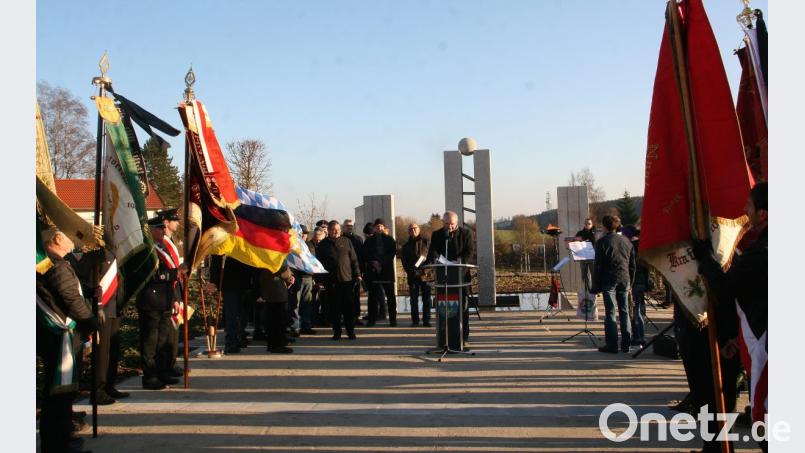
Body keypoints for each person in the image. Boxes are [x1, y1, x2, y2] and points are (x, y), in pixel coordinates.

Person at [694, 181, 767, 453]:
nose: (744, 211)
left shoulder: (760, 254)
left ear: (763, 214)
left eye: (749, 206)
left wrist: (706, 259)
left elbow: (726, 288)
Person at [37, 227, 98, 453]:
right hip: (61, 334)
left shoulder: (53, 262)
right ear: (56, 239)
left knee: (60, 394)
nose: (72, 239)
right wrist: (91, 321)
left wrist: (90, 291)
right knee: (60, 394)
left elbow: (67, 291)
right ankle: (57, 444)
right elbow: (69, 297)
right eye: (67, 235)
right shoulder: (55, 264)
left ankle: (60, 440)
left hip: (56, 335)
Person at [67, 247, 129, 405]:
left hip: (114, 308)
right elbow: (85, 276)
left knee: (112, 350)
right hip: (101, 309)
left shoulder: (113, 252)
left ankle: (109, 385)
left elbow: (119, 279)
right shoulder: (93, 253)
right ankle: (98, 390)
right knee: (101, 353)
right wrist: (98, 306)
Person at [137, 217, 186, 389]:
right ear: (151, 230)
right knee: (150, 342)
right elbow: (152, 276)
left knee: (163, 341)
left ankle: (162, 372)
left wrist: (174, 298)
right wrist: (176, 272)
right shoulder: (146, 250)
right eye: (160, 229)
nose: (164, 232)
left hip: (165, 300)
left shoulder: (161, 247)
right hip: (151, 301)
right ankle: (150, 377)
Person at [590, 215, 635, 353]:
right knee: (625, 311)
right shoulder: (627, 241)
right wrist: (631, 282)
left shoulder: (602, 242)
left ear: (604, 226)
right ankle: (626, 344)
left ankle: (612, 345)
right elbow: (632, 264)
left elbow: (598, 266)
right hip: (625, 278)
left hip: (608, 279)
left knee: (610, 312)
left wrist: (595, 286)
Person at [427, 211, 474, 344]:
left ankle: (463, 337)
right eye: (446, 224)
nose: (449, 227)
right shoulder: (437, 234)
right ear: (443, 222)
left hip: (460, 276)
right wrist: (437, 258)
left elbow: (469, 251)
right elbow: (433, 251)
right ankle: (443, 337)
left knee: (462, 308)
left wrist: (460, 260)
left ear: (457, 223)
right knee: (443, 308)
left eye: (452, 224)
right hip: (443, 276)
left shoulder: (466, 233)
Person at [315, 220, 361, 340]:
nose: (336, 232)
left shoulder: (346, 241)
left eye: (338, 230)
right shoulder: (323, 245)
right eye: (333, 230)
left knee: (348, 308)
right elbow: (318, 264)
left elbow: (354, 260)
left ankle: (350, 332)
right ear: (329, 230)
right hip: (331, 282)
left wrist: (357, 274)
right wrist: (319, 280)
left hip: (347, 280)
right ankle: (337, 333)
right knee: (334, 309)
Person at [157, 208, 185, 379]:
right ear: (166, 222)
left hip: (175, 291)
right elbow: (168, 271)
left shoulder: (172, 241)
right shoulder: (161, 244)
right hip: (166, 293)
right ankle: (165, 367)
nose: (178, 223)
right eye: (175, 220)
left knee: (173, 334)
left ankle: (171, 364)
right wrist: (175, 296)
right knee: (166, 334)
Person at [208, 255, 254, 354]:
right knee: (231, 313)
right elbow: (216, 259)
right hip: (229, 282)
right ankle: (231, 342)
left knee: (243, 313)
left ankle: (239, 336)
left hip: (245, 281)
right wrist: (213, 281)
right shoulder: (225, 241)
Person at [364, 218, 399, 327]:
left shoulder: (390, 239)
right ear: (374, 228)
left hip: (386, 271)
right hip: (373, 271)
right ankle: (372, 319)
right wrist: (374, 263)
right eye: (377, 226)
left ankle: (393, 320)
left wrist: (381, 263)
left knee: (390, 297)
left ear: (384, 228)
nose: (379, 228)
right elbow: (366, 254)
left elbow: (392, 253)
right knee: (372, 298)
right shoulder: (369, 240)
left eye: (381, 226)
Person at [255, 264, 295, 353]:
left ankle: (276, 343)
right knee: (277, 320)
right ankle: (276, 345)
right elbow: (283, 271)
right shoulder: (274, 255)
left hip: (271, 290)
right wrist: (290, 275)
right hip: (275, 290)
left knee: (274, 319)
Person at [400, 223, 432, 327]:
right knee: (413, 300)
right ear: (408, 231)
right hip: (413, 276)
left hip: (426, 275)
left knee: (426, 299)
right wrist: (413, 272)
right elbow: (404, 262)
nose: (413, 230)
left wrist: (424, 271)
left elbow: (432, 258)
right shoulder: (405, 246)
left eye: (415, 228)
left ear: (419, 229)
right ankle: (415, 321)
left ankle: (426, 320)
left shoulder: (427, 242)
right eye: (411, 229)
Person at [293, 225, 317, 335]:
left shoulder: (310, 246)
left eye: (305, 233)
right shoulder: (293, 246)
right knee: (295, 304)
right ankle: (295, 328)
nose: (303, 235)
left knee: (307, 303)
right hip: (297, 277)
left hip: (308, 278)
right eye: (301, 233)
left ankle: (306, 326)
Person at [342, 219, 365, 325]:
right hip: (344, 272)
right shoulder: (340, 239)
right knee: (345, 297)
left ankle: (356, 317)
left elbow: (361, 257)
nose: (349, 227)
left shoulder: (358, 239)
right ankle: (346, 318)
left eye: (351, 226)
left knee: (356, 297)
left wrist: (360, 272)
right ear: (343, 227)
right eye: (347, 226)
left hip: (355, 272)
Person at [574, 218, 596, 289]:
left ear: (592, 225)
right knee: (584, 274)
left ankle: (595, 289)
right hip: (583, 257)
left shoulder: (595, 234)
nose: (587, 225)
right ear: (584, 224)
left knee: (594, 274)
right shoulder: (580, 233)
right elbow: (575, 243)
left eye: (589, 224)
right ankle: (587, 290)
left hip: (592, 257)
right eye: (586, 224)